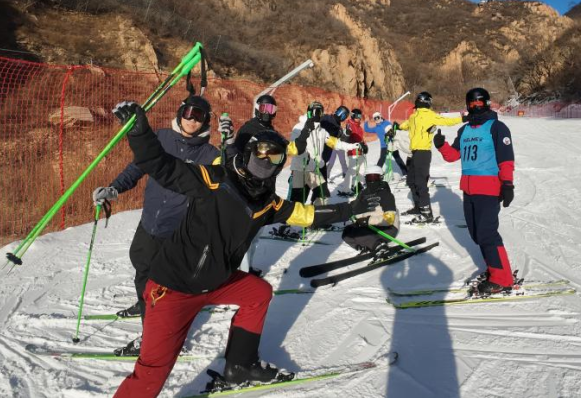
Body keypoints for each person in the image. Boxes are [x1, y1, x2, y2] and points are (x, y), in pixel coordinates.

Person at [103, 101, 395, 398]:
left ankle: (239, 366)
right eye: (260, 152)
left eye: (274, 155)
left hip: (215, 282)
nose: (266, 160)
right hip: (173, 289)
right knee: (153, 370)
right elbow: (161, 166)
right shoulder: (215, 181)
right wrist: (140, 134)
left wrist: (351, 208)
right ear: (247, 153)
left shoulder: (267, 202)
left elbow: (307, 215)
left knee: (258, 293)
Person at [91, 95, 220, 356]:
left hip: (178, 229)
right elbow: (137, 167)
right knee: (140, 262)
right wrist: (115, 188)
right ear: (180, 112)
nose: (192, 120)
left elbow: (224, 180)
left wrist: (231, 148)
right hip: (151, 220)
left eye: (200, 116)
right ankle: (144, 303)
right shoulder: (161, 138)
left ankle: (153, 335)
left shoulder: (210, 154)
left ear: (206, 121)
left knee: (161, 285)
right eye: (189, 112)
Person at [433, 87, 515, 295]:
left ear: (487, 103)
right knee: (477, 234)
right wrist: (442, 145)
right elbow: (453, 156)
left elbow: (506, 159)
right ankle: (495, 268)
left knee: (487, 233)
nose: (476, 107)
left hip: (489, 189)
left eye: (480, 103)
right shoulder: (465, 130)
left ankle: (502, 279)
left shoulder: (497, 127)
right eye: (472, 104)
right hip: (468, 190)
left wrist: (507, 185)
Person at [388, 91, 462, 223]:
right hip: (414, 153)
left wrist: (463, 118)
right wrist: (396, 127)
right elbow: (404, 125)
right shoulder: (413, 116)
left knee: (420, 182)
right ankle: (418, 207)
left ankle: (427, 212)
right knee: (411, 181)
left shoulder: (430, 116)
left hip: (423, 153)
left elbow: (447, 121)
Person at [288, 101, 364, 205]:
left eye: (320, 112)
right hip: (302, 168)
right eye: (316, 112)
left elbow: (337, 142)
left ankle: (317, 214)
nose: (318, 115)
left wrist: (352, 143)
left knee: (323, 195)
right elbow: (294, 149)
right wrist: (307, 129)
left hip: (319, 164)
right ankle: (293, 216)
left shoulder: (324, 131)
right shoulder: (299, 127)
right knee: (298, 199)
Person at [337, 108, 367, 198]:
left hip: (360, 151)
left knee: (362, 169)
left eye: (360, 116)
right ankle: (346, 189)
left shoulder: (359, 127)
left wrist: (364, 146)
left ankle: (359, 185)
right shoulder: (349, 125)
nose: (359, 118)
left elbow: (361, 139)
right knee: (352, 171)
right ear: (353, 115)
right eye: (357, 116)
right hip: (353, 151)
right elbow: (347, 137)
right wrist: (357, 143)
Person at [320, 105, 350, 187]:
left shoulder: (338, 126)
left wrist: (346, 134)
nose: (344, 117)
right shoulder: (327, 118)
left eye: (345, 116)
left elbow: (340, 141)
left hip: (325, 156)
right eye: (344, 115)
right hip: (317, 153)